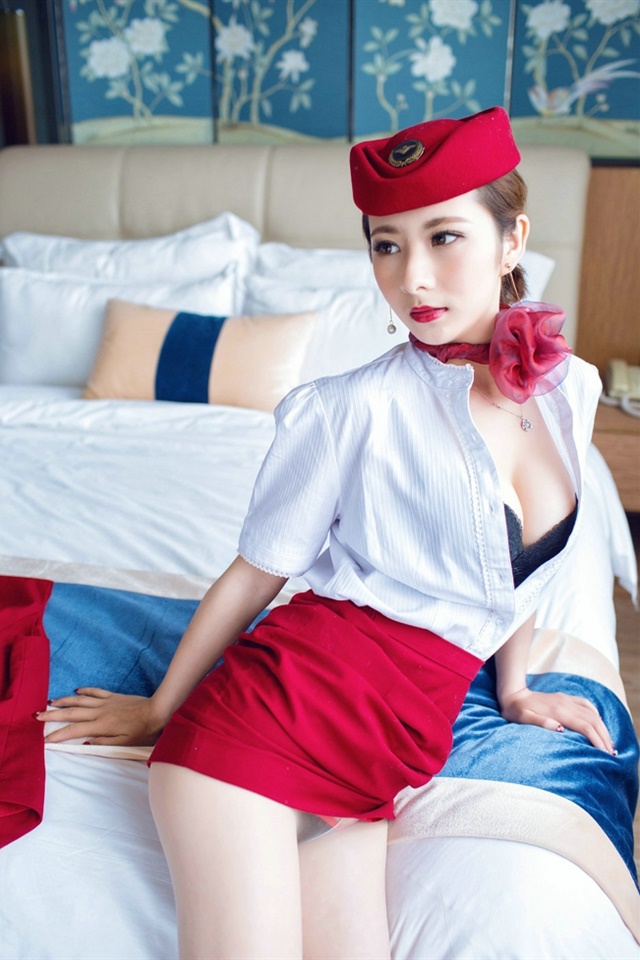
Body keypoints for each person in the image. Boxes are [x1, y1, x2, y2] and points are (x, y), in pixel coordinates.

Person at [39, 107, 615, 960]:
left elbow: (514, 575)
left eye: (444, 237)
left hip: (387, 749)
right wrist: (160, 708)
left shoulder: (572, 389)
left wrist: (517, 687)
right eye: (386, 245)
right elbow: (254, 573)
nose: (413, 276)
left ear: (512, 239)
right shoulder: (348, 409)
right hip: (264, 725)